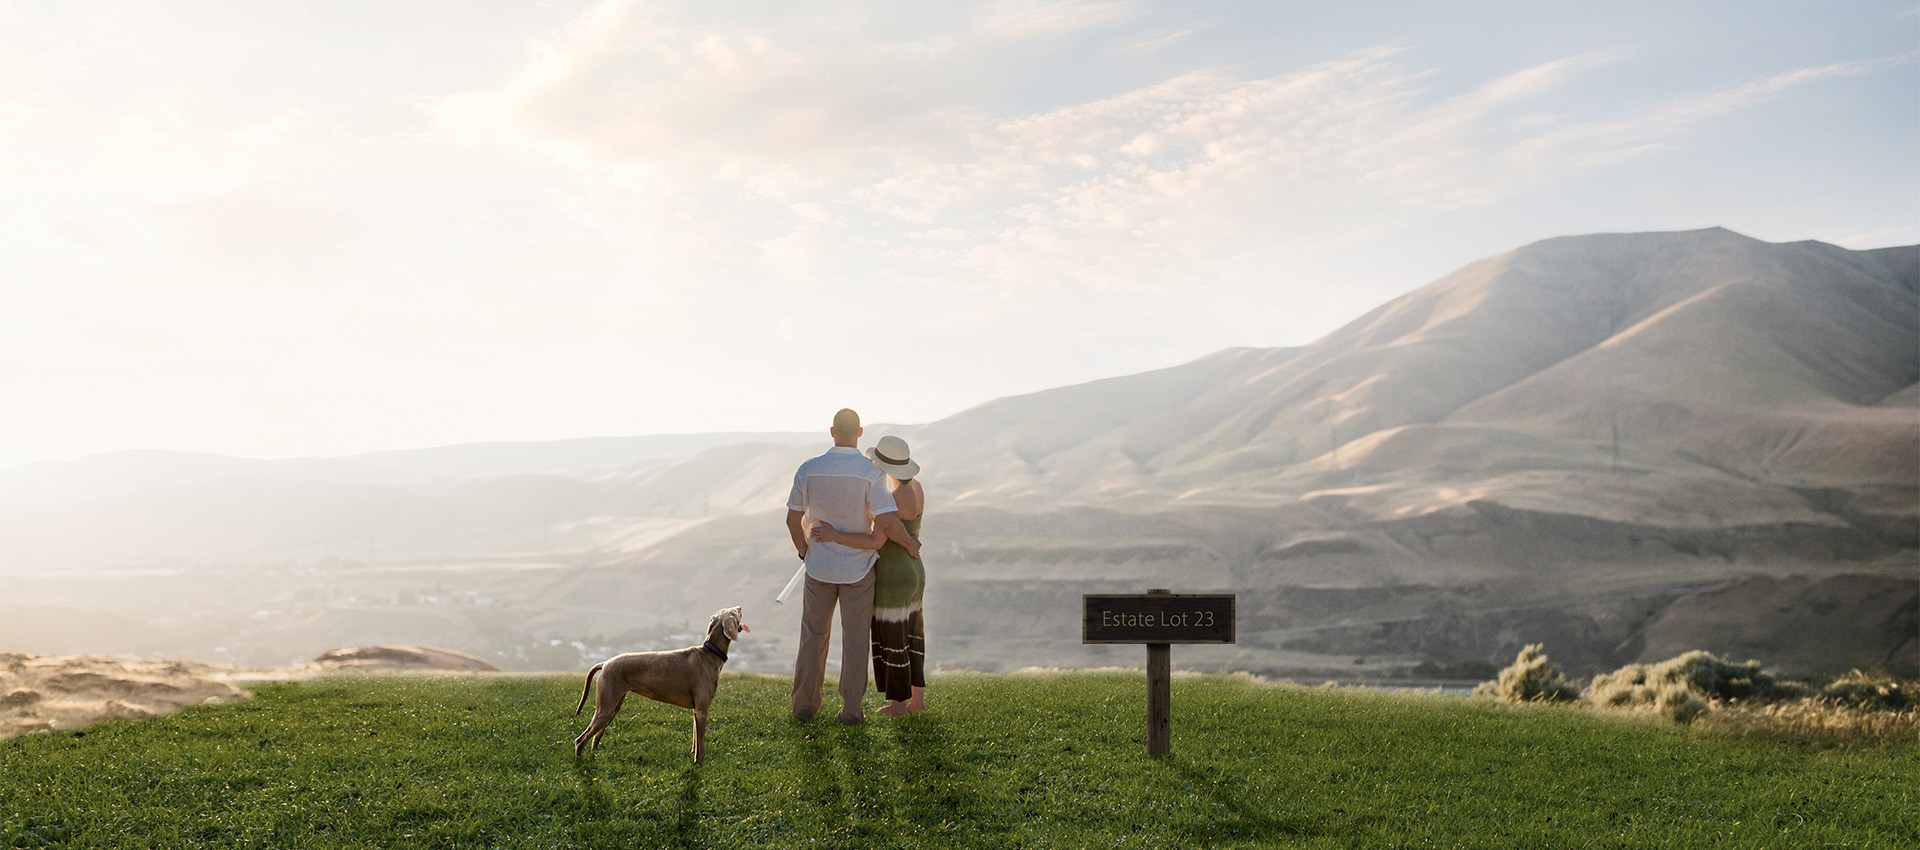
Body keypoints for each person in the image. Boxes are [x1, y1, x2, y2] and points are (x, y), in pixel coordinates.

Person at [786, 408, 920, 724]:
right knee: (855, 639)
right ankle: (850, 709)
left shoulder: (808, 470)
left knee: (812, 637)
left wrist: (806, 553)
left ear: (832, 431)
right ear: (859, 433)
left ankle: (804, 705)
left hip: (819, 569)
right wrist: (910, 544)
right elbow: (887, 520)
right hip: (858, 571)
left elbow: (792, 519)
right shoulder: (870, 473)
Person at [811, 434, 926, 716]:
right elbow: (911, 532)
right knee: (912, 633)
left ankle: (898, 705)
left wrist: (833, 534)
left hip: (893, 573)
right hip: (914, 571)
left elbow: (875, 541)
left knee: (894, 635)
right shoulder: (916, 489)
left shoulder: (893, 498)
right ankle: (916, 701)